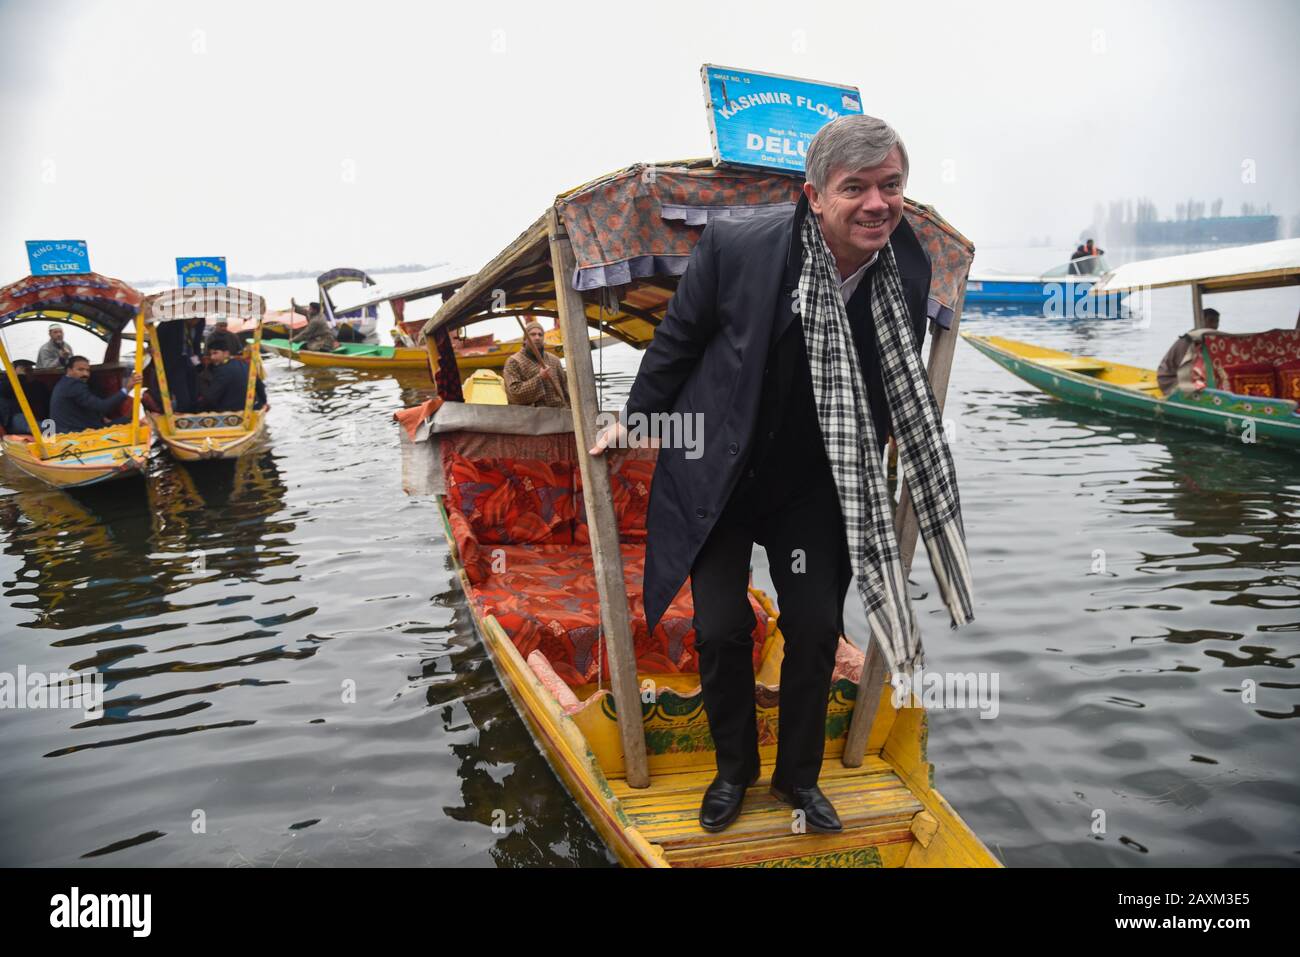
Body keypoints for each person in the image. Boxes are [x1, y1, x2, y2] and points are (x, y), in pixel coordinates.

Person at [591, 114, 974, 834]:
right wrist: (635, 417)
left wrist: (893, 442)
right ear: (814, 196)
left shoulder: (909, 265)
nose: (876, 203)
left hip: (814, 479)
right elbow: (678, 340)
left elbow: (889, 374)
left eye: (890, 186)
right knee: (722, 626)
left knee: (817, 624)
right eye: (854, 187)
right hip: (721, 471)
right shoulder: (741, 247)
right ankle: (733, 770)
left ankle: (798, 779)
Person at [48, 357, 141, 433]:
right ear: (69, 370)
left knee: (124, 420)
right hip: (77, 432)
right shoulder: (74, 385)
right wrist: (127, 388)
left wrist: (101, 417)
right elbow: (103, 406)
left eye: (87, 370)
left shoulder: (64, 383)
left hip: (70, 428)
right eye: (80, 370)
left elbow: (85, 404)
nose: (85, 374)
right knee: (130, 422)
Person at [502, 320, 570, 407]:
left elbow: (565, 389)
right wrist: (540, 378)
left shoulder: (554, 360)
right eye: (533, 334)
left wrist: (569, 409)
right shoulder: (513, 361)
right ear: (525, 340)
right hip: (531, 416)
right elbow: (514, 395)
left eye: (540, 334)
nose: (537, 337)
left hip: (558, 414)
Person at [1157, 307, 1220, 395]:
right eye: (1211, 321)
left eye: (1217, 322)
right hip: (1170, 379)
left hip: (1188, 375)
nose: (1214, 325)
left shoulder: (1208, 340)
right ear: (1201, 321)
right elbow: (1184, 369)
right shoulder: (1187, 341)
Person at [197, 343, 267, 413]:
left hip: (233, 412)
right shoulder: (245, 365)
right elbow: (260, 387)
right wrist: (264, 403)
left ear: (226, 353)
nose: (212, 357)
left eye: (215, 353)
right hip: (253, 408)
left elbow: (211, 397)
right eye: (211, 354)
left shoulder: (222, 370)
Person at [0, 360, 49, 433]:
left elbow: (45, 404)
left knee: (50, 426)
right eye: (26, 370)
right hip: (13, 418)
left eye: (30, 370)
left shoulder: (38, 386)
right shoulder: (4, 383)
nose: (28, 373)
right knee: (44, 428)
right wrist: (20, 376)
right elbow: (6, 389)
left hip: (35, 417)